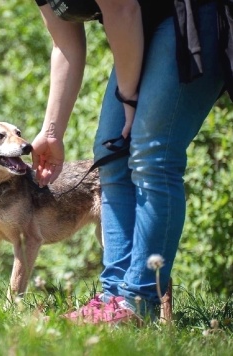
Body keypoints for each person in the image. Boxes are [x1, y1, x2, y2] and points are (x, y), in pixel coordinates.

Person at [31, 0, 232, 323]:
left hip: (196, 15)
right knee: (111, 154)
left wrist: (129, 98)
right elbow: (64, 42)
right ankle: (114, 298)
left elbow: (122, 8)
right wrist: (52, 132)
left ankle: (138, 300)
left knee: (153, 153)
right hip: (145, 24)